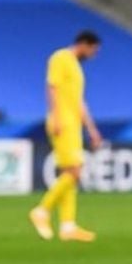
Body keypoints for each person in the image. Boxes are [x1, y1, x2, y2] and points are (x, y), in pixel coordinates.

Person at [29, 30, 103, 243]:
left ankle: (67, 226)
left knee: (69, 173)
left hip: (73, 124)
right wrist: (58, 117)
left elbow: (79, 102)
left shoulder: (76, 67)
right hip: (63, 122)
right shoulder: (60, 58)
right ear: (84, 44)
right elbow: (52, 87)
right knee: (75, 171)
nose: (93, 54)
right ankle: (42, 210)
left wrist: (92, 129)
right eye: (93, 50)